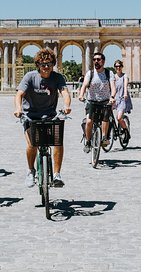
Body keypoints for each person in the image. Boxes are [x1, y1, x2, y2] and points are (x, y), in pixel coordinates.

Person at [14, 48, 72, 188]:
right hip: (30, 115)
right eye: (43, 64)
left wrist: (67, 105)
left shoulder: (57, 77)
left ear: (53, 64)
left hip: (50, 115)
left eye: (49, 64)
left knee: (58, 141)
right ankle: (30, 171)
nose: (46, 67)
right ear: (37, 65)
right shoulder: (29, 76)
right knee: (32, 144)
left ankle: (57, 175)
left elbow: (65, 92)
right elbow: (19, 94)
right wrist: (18, 108)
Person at [79, 52, 116, 152]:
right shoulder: (90, 73)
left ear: (103, 61)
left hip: (105, 101)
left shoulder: (109, 73)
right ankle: (87, 141)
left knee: (105, 118)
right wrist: (81, 95)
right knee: (89, 121)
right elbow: (84, 85)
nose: (96, 61)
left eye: (98, 59)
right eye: (94, 59)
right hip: (92, 101)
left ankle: (104, 137)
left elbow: (113, 87)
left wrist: (112, 97)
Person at [112, 60, 132, 136]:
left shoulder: (125, 76)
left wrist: (125, 93)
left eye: (119, 66)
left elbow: (125, 85)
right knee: (106, 115)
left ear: (122, 67)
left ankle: (126, 131)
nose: (118, 68)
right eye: (116, 66)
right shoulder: (113, 77)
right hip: (114, 98)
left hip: (123, 98)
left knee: (119, 117)